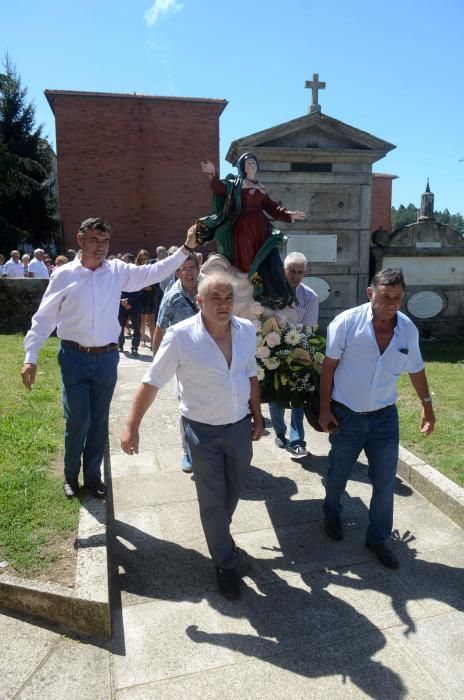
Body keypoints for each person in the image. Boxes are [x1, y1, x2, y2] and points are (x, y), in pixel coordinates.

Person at [21, 217, 198, 500]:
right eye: (94, 240)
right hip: (74, 357)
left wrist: (187, 247)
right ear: (80, 240)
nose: (100, 247)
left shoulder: (117, 271)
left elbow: (155, 271)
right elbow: (44, 318)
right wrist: (31, 356)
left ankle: (92, 477)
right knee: (78, 419)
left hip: (106, 358)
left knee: (99, 420)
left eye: (105, 242)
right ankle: (70, 476)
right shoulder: (64, 275)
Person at [120, 272, 264, 600]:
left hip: (239, 425)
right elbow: (152, 381)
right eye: (215, 298)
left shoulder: (245, 331)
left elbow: (251, 374)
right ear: (199, 301)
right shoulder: (180, 336)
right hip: (202, 431)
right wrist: (132, 425)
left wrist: (257, 415)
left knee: (234, 488)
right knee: (212, 499)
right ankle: (224, 563)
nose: (223, 304)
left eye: (228, 298)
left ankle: (219, 537)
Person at [319, 268, 436, 570]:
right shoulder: (345, 324)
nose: (391, 304)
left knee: (384, 482)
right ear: (371, 293)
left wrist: (427, 405)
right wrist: (324, 409)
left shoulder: (407, 329)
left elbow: (416, 368)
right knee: (338, 473)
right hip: (347, 416)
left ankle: (378, 537)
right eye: (385, 297)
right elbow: (328, 368)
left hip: (385, 418)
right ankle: (331, 512)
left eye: (397, 298)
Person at [198, 153, 306, 309]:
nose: (252, 165)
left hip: (261, 229)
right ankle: (254, 293)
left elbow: (272, 208)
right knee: (248, 265)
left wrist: (289, 215)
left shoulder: (261, 188)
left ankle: (271, 295)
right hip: (243, 229)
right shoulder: (236, 184)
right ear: (243, 167)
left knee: (269, 258)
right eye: (249, 163)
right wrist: (213, 173)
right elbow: (219, 188)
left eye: (254, 163)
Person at [152, 253, 200, 473]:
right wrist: (157, 364)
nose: (189, 272)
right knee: (188, 408)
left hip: (213, 358)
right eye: (184, 268)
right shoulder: (172, 297)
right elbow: (160, 328)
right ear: (177, 272)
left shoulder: (208, 290)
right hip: (184, 362)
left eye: (193, 267)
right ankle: (189, 451)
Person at [269, 251, 319, 458]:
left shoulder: (310, 297)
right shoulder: (271, 292)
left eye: (300, 272)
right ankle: (280, 432)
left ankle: (297, 440)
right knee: (276, 396)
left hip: (299, 350)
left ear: (305, 273)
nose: (295, 276)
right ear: (284, 271)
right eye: (292, 271)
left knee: (299, 394)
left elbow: (309, 328)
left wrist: (299, 351)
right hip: (272, 349)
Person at [136, 249, 163, 347]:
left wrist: (148, 286)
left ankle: (153, 340)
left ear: (148, 259)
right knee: (142, 319)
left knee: (152, 319)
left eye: (145, 259)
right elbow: (137, 285)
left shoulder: (152, 269)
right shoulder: (137, 270)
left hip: (151, 296)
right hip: (141, 296)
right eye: (141, 259)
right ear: (139, 260)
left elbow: (156, 284)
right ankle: (142, 338)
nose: (143, 261)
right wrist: (145, 286)